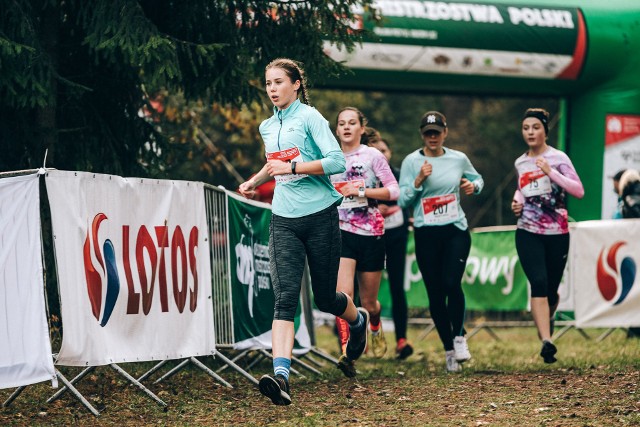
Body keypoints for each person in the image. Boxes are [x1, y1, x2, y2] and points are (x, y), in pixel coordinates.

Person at [238, 58, 369, 405]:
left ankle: (358, 323)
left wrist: (294, 166)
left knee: (326, 299)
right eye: (267, 83)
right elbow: (274, 162)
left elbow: (336, 162)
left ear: (296, 84)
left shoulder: (310, 117)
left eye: (278, 82)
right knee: (284, 299)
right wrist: (255, 181)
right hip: (283, 219)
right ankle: (281, 376)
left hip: (320, 216)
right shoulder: (268, 126)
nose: (272, 89)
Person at [398, 111, 483, 372]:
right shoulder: (412, 161)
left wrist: (473, 186)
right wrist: (419, 181)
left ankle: (459, 337)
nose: (432, 137)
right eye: (428, 133)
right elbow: (402, 200)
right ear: (422, 135)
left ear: (445, 133)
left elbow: (477, 179)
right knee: (435, 293)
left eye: (437, 132)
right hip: (426, 233)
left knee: (451, 283)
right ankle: (448, 349)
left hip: (455, 229)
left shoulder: (458, 158)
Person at [510, 108, 584, 364]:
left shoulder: (558, 157)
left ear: (545, 130)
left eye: (535, 127)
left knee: (551, 290)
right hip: (528, 230)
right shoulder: (521, 162)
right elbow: (522, 189)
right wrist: (516, 202)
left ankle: (547, 319)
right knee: (538, 282)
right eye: (526, 128)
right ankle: (546, 341)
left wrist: (551, 172)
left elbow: (578, 191)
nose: (530, 132)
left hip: (557, 232)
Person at [330, 112, 400, 377]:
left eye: (352, 123)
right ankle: (349, 352)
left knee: (368, 303)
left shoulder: (373, 156)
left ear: (361, 128)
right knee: (343, 298)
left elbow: (394, 191)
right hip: (341, 232)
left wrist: (360, 191)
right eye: (342, 123)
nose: (346, 127)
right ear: (337, 130)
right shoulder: (330, 158)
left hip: (371, 234)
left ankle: (374, 323)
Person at [369, 136, 414, 360]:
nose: (381, 154)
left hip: (396, 232)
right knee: (361, 290)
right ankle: (353, 340)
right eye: (376, 150)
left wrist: (396, 208)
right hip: (369, 233)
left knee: (397, 285)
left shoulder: (397, 174)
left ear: (391, 152)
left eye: (384, 150)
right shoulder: (364, 172)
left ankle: (401, 340)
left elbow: (407, 196)